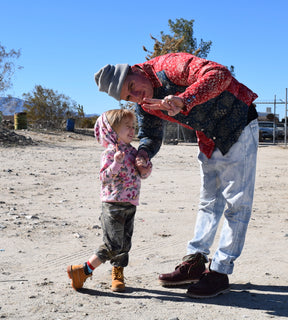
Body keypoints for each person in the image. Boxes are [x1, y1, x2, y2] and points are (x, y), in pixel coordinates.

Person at [94, 52, 259, 299]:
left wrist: (184, 99)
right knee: (209, 202)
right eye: (128, 97)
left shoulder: (168, 65)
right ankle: (195, 262)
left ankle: (220, 271)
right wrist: (144, 154)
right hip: (208, 137)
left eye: (132, 86)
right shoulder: (144, 104)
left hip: (238, 125)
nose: (137, 96)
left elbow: (220, 74)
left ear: (135, 70)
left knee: (237, 203)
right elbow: (150, 136)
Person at [67, 109, 152, 292]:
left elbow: (141, 175)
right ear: (112, 131)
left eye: (133, 126)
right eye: (127, 127)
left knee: (125, 243)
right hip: (112, 204)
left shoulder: (134, 152)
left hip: (131, 203)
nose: (132, 130)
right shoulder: (109, 154)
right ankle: (83, 270)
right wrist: (116, 163)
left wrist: (145, 168)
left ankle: (118, 274)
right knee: (113, 244)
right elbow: (104, 178)